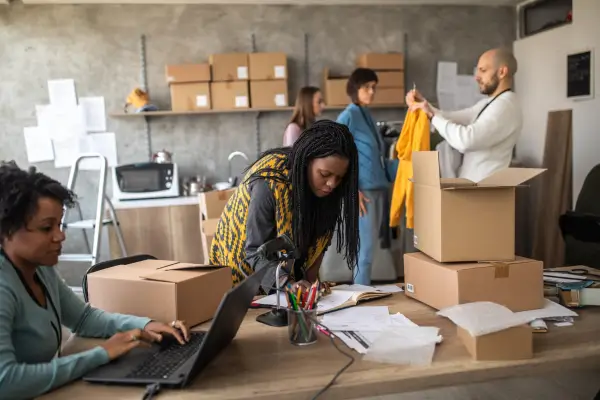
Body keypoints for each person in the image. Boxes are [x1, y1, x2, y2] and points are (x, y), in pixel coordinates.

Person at [0, 161, 191, 399]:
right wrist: (102, 353)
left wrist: (144, 325)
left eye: (59, 224)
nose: (60, 236)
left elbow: (83, 318)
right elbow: (5, 381)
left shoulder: (40, 268)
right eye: (46, 228)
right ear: (6, 230)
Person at [210, 120, 360, 294]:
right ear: (306, 161)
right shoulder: (269, 181)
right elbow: (255, 253)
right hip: (239, 288)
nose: (332, 184)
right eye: (325, 174)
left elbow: (320, 241)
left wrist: (309, 283)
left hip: (283, 285)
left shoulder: (328, 191)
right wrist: (289, 285)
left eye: (339, 177)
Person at [407, 47, 521, 182]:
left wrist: (432, 116)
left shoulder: (505, 106)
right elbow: (455, 117)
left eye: (483, 70)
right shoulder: (491, 103)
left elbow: (466, 140)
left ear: (502, 72)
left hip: (485, 193)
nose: (477, 77)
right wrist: (424, 105)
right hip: (474, 190)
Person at [335, 68, 397, 286]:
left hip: (378, 189)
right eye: (367, 87)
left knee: (371, 248)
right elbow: (335, 156)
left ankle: (362, 293)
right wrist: (350, 190)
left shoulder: (367, 115)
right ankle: (359, 297)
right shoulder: (348, 116)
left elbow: (377, 158)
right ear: (355, 89)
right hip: (364, 193)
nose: (372, 91)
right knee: (366, 249)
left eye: (374, 87)